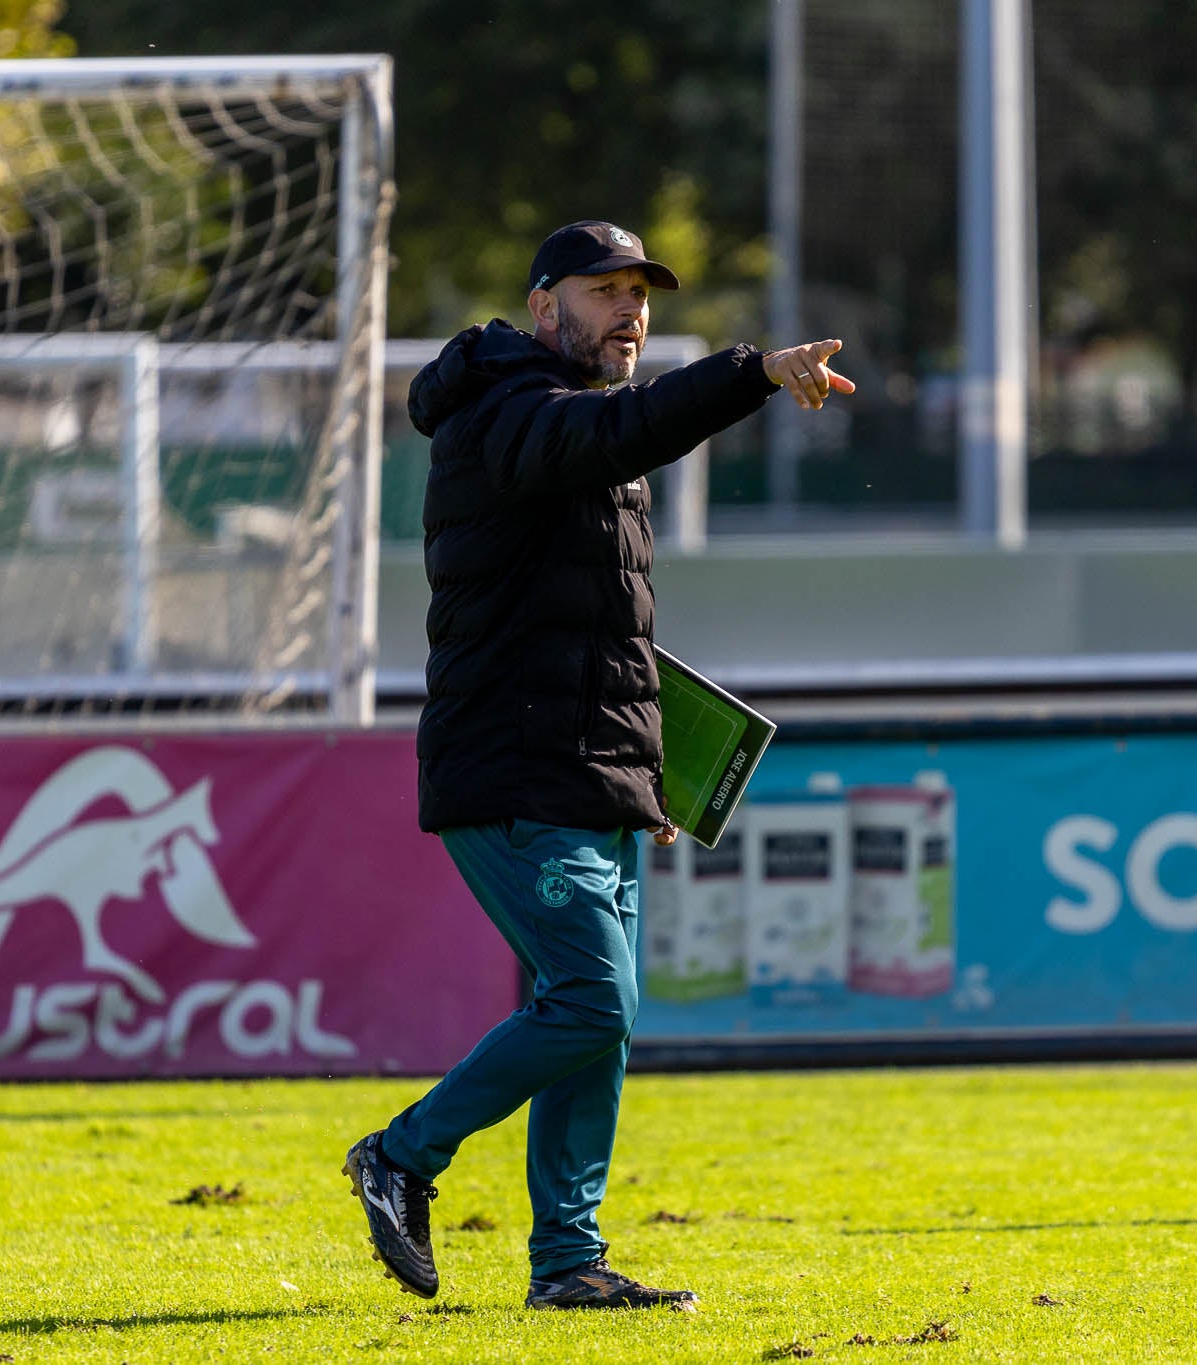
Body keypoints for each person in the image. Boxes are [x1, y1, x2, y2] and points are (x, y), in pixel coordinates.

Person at [343, 220, 852, 1310]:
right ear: (542, 308)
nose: (628, 309)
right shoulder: (506, 415)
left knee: (597, 1020)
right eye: (602, 289)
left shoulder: (570, 426)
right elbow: (622, 432)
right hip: (512, 771)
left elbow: (601, 631)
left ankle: (567, 1264)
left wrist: (643, 769)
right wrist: (753, 372)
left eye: (639, 292)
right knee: (590, 999)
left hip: (585, 769)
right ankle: (401, 1156)